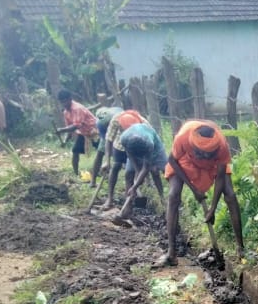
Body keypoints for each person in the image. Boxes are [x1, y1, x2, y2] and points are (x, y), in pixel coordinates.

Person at [161, 120, 244, 267]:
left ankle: (241, 248)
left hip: (212, 165)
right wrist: (194, 190)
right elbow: (172, 160)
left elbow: (220, 177)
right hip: (185, 162)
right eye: (199, 153)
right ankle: (171, 253)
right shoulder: (183, 136)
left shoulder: (221, 146)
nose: (202, 157)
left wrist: (212, 208)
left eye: (206, 154)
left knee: (231, 195)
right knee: (173, 196)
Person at [114, 122, 167, 222]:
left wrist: (135, 186)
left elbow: (146, 167)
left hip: (156, 148)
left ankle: (163, 199)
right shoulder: (124, 139)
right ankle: (127, 208)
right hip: (133, 150)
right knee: (129, 173)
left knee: (158, 171)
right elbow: (130, 156)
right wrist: (137, 171)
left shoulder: (149, 144)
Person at [99, 108, 147, 209]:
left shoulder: (143, 123)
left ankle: (128, 201)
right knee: (115, 166)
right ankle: (109, 199)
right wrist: (107, 161)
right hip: (119, 145)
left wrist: (140, 170)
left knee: (130, 173)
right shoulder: (116, 119)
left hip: (135, 147)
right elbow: (109, 139)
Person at [55, 89, 98, 177]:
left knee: (103, 151)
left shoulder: (77, 108)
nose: (64, 104)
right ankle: (76, 174)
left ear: (70, 99)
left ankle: (111, 167)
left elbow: (76, 126)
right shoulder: (66, 112)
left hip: (95, 131)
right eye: (62, 102)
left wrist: (61, 130)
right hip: (84, 133)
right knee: (75, 151)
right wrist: (65, 141)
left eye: (65, 101)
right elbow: (69, 129)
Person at [89, 105, 123, 187]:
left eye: (108, 124)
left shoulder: (120, 117)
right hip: (107, 133)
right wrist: (107, 161)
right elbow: (107, 141)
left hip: (121, 130)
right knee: (100, 153)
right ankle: (93, 182)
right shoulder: (100, 124)